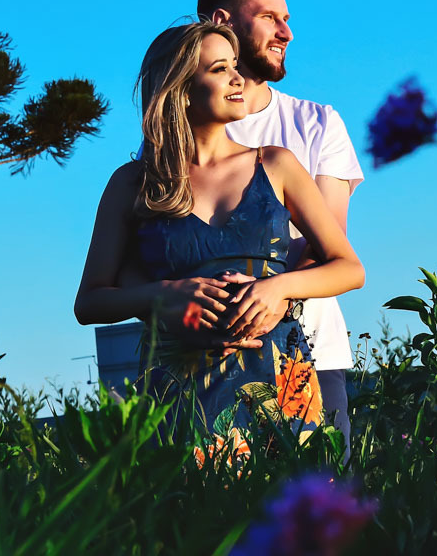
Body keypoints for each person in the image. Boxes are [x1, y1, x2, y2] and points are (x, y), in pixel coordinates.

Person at [73, 23, 364, 460]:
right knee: (197, 522)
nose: (237, 78)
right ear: (181, 89)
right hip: (180, 390)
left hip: (281, 384)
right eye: (219, 69)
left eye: (235, 66)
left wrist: (279, 287)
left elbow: (348, 267)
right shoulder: (132, 183)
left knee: (299, 517)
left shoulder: (277, 164)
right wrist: (162, 295)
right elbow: (89, 302)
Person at [196, 0, 364, 452]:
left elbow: (328, 243)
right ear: (223, 23)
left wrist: (266, 293)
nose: (286, 32)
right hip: (203, 363)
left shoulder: (316, 124)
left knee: (319, 511)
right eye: (270, 17)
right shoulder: (173, 137)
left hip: (308, 354)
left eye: (286, 18)